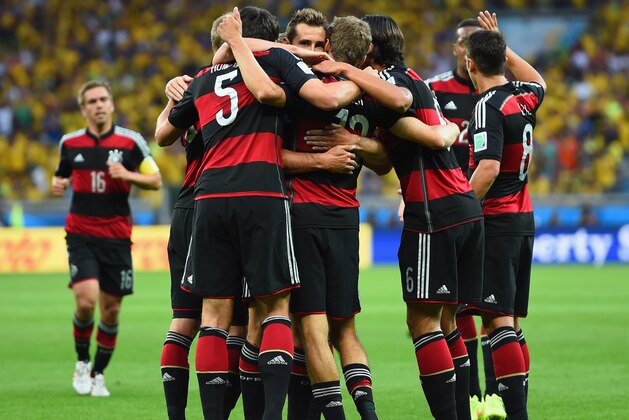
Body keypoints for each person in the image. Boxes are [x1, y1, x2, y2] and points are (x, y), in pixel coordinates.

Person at [155, 6, 362, 419]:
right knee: (273, 311)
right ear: (274, 42)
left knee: (210, 317)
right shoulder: (276, 65)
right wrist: (356, 75)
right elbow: (280, 95)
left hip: (206, 198)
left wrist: (173, 91)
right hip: (262, 195)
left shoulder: (201, 78)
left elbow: (162, 135)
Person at [360, 14, 485, 420]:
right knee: (448, 320)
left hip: (434, 212)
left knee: (422, 321)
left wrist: (353, 139)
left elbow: (430, 136)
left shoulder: (387, 88)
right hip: (465, 205)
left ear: (369, 49)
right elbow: (392, 155)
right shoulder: (415, 78)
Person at [52, 80, 162, 397]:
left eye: (103, 99)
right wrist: (57, 183)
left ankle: (99, 373)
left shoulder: (131, 143)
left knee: (111, 310)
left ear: (112, 104)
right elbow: (61, 176)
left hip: (116, 236)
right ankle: (82, 362)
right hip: (81, 234)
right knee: (86, 302)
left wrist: (127, 175)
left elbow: (155, 180)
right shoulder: (69, 143)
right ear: (83, 109)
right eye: (91, 101)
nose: (98, 105)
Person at [463, 11, 547, 420]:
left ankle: (516, 415)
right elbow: (540, 81)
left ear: (470, 64)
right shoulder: (523, 97)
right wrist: (502, 44)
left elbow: (489, 168)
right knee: (509, 322)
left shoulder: (487, 106)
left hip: (495, 221)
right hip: (523, 219)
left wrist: (461, 207)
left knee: (497, 322)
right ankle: (518, 409)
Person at [425, 18, 506, 419]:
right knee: (453, 307)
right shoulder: (434, 89)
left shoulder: (496, 92)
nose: (469, 47)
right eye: (464, 41)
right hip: (451, 208)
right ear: (457, 48)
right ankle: (470, 392)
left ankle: (496, 395)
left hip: (486, 207)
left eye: (477, 41)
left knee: (492, 306)